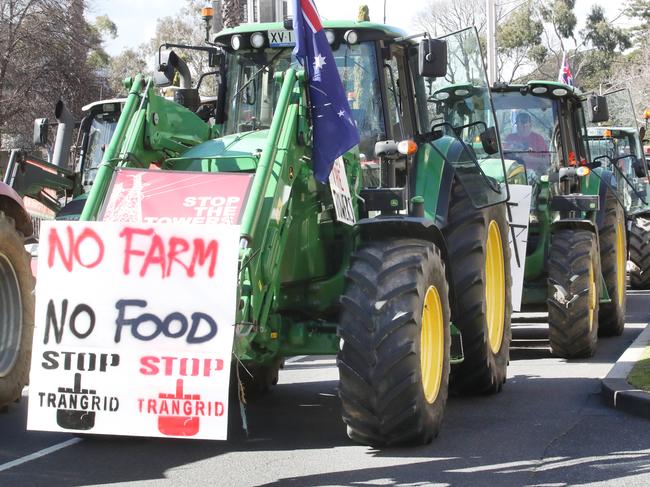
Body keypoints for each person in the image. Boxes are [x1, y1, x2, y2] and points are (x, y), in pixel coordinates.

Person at [504, 112, 550, 176]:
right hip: (512, 175)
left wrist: (530, 158)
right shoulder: (510, 138)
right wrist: (513, 153)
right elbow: (503, 157)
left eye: (523, 123)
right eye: (518, 123)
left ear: (530, 125)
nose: (520, 126)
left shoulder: (538, 139)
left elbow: (547, 160)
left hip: (535, 175)